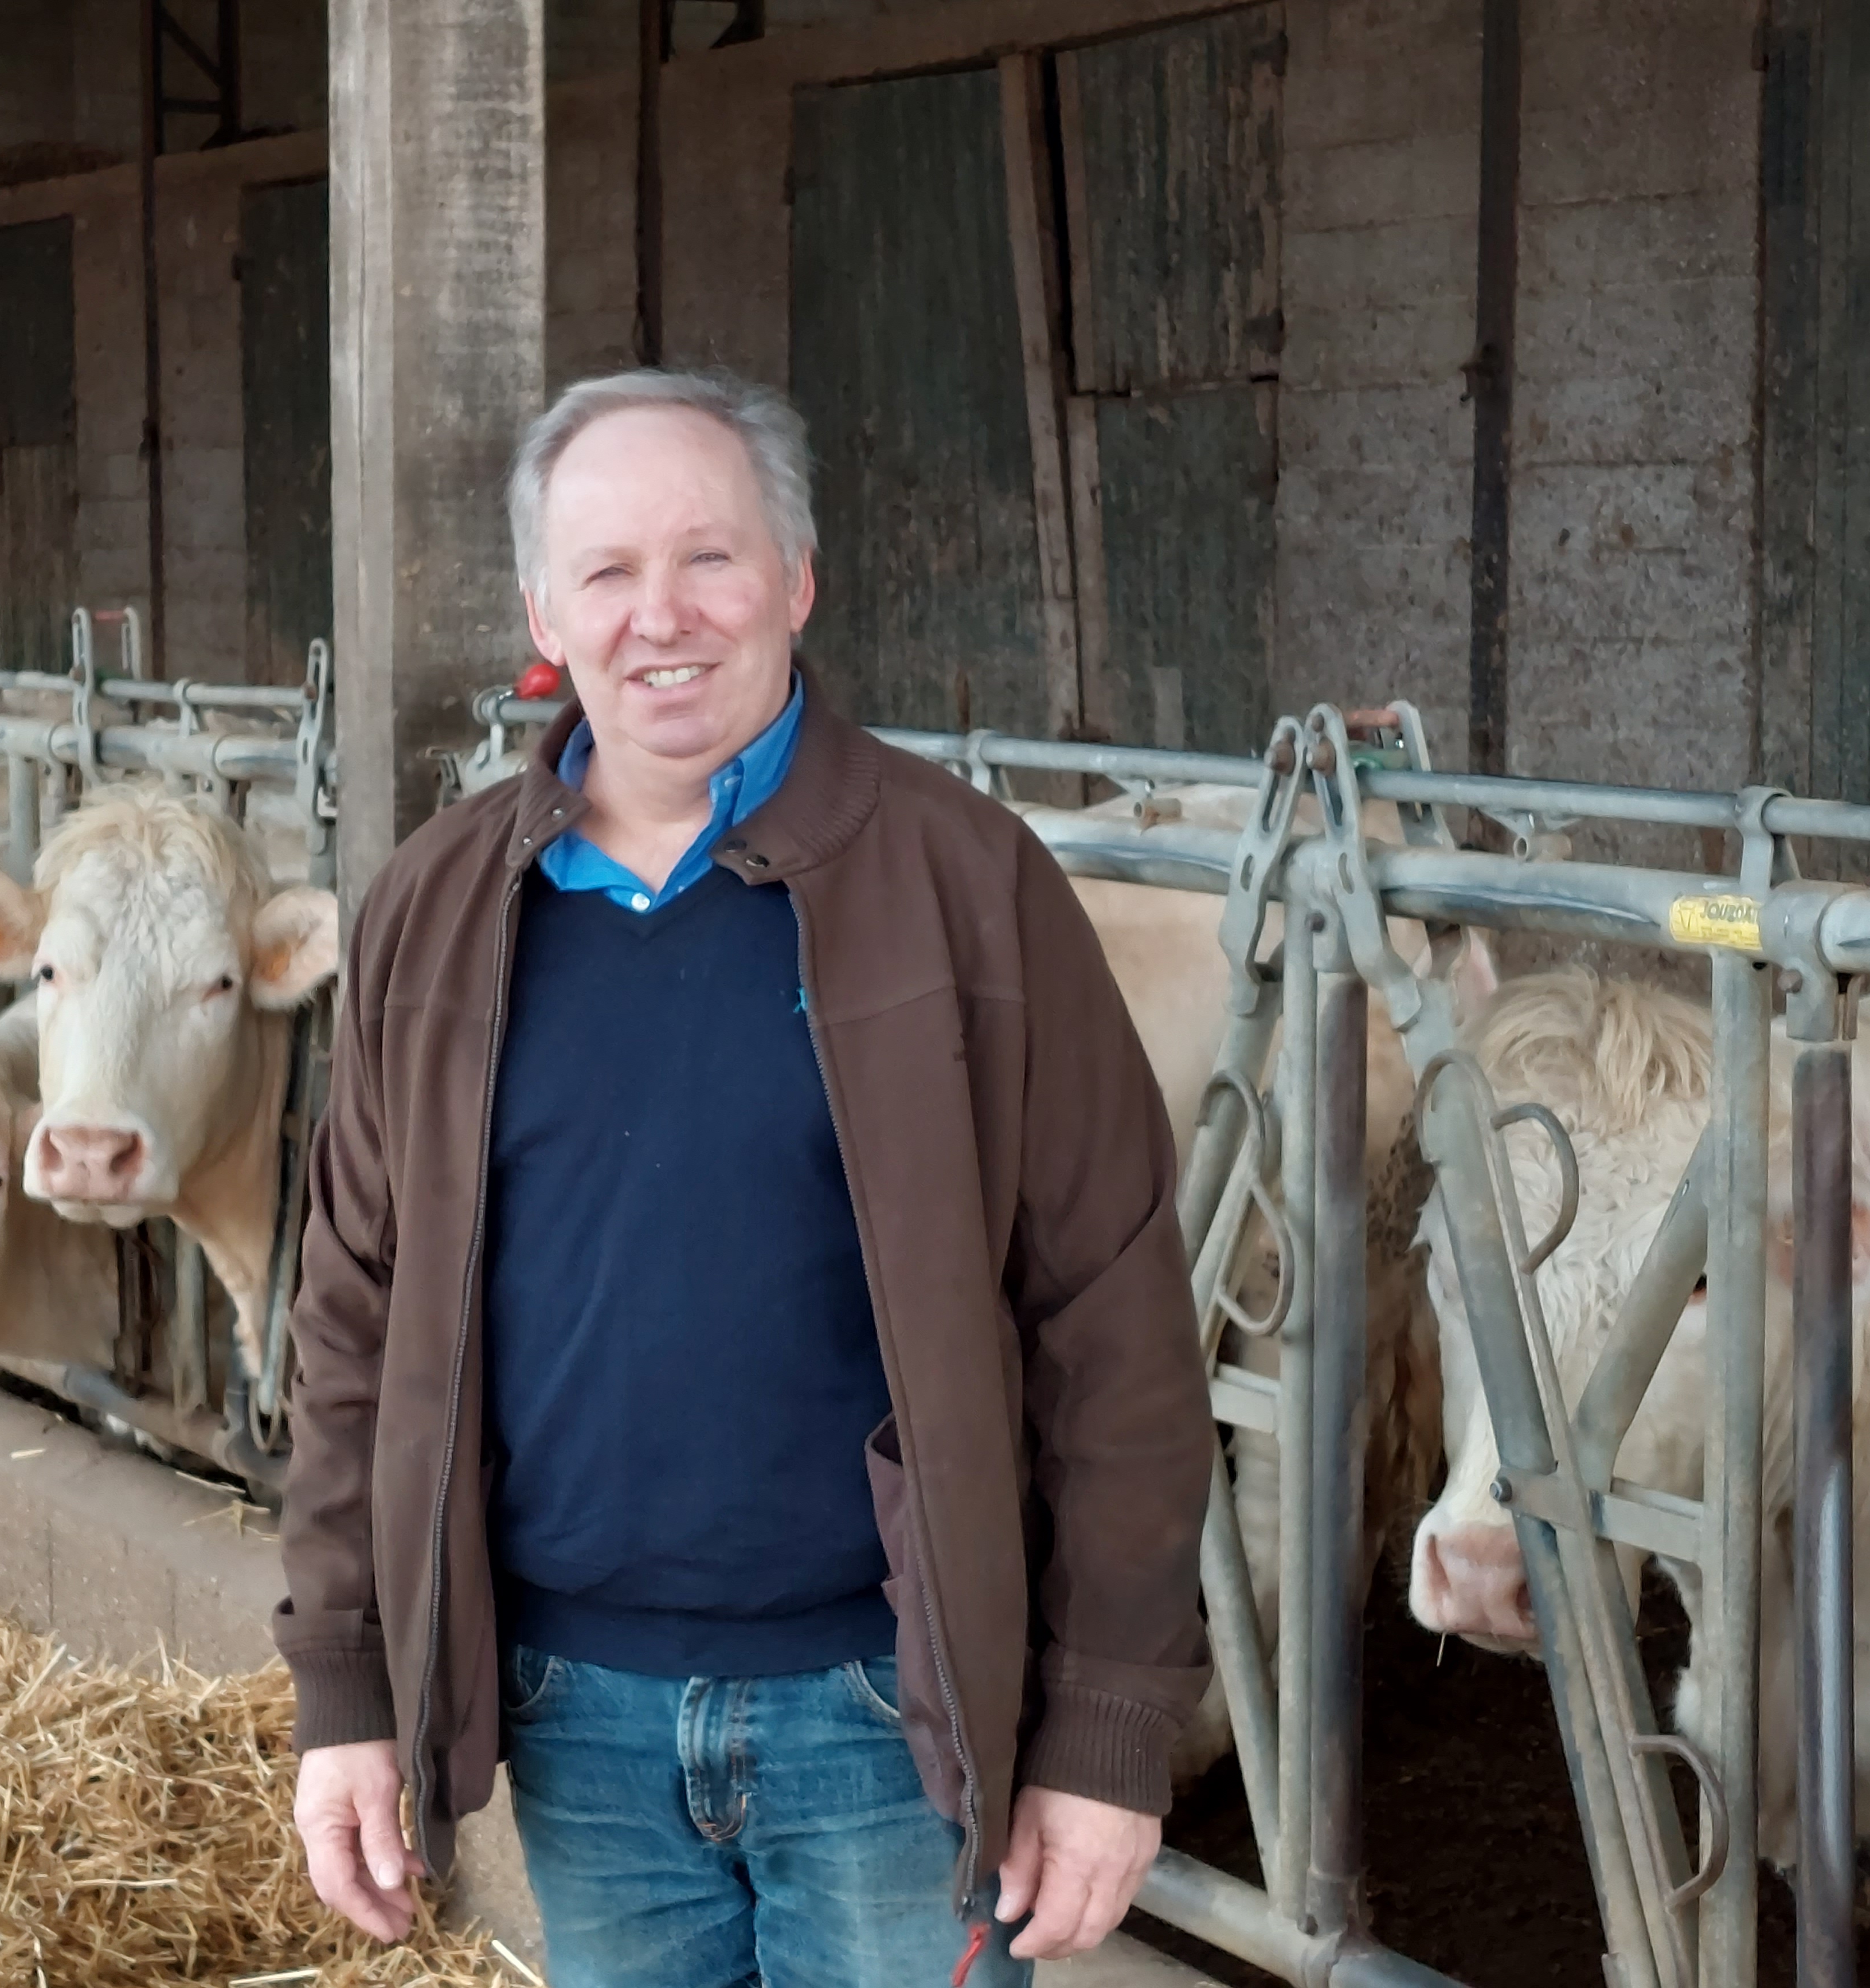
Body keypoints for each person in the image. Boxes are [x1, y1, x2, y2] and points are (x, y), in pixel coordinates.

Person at [275, 367, 1213, 1986]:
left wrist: (1109, 1723)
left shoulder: (967, 886)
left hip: (888, 1710)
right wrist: (348, 1692)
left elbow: (1114, 1324)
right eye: (609, 573)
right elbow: (355, 1328)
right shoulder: (437, 914)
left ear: (797, 577)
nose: (664, 616)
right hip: (579, 1718)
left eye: (710, 558)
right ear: (544, 614)